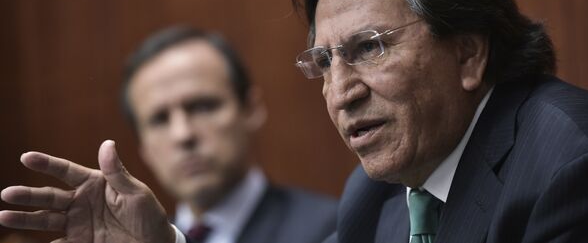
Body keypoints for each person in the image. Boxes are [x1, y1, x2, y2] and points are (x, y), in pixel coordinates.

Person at [1, 0, 588, 243]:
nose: (341, 93)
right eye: (324, 62)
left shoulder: (573, 167)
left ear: (468, 53)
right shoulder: (377, 196)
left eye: (368, 48)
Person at [0, 27, 337, 243]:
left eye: (203, 106)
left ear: (250, 110)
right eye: (159, 119)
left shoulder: (334, 229)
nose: (183, 134)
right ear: (143, 145)